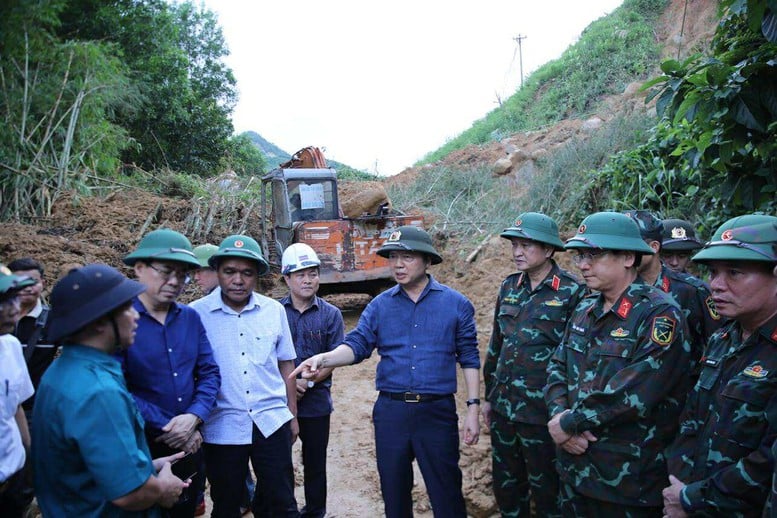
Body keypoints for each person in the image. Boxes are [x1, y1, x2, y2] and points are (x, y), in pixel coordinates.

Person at [291, 225, 481, 518]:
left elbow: (469, 357)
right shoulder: (380, 306)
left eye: (407, 257)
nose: (398, 264)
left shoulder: (456, 305)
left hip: (437, 413)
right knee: (394, 494)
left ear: (427, 260)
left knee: (446, 494)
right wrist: (324, 359)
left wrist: (472, 408)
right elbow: (357, 344)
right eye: (393, 257)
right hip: (391, 412)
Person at [544, 211, 691, 516]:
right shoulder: (585, 309)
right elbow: (557, 366)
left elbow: (635, 392)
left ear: (627, 257)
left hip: (626, 483)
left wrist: (569, 424)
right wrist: (559, 417)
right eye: (581, 255)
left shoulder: (658, 314)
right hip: (575, 473)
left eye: (594, 255)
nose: (583, 264)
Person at [32, 264, 188, 516]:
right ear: (98, 322)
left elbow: (86, 464)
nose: (135, 315)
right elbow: (131, 494)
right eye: (126, 308)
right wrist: (162, 489)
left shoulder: (65, 371)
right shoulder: (98, 392)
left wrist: (146, 468)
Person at [663, 214, 777, 517]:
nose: (716, 285)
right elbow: (693, 416)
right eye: (713, 272)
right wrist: (679, 486)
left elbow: (767, 459)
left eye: (735, 272)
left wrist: (693, 498)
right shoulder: (724, 337)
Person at [482, 212, 585, 517]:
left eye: (526, 245)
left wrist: (569, 414)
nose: (517, 252)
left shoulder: (571, 291)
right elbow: (496, 346)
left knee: (548, 491)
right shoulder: (509, 286)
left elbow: (576, 359)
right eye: (514, 244)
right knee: (507, 488)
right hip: (504, 409)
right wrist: (489, 398)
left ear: (549, 250)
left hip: (542, 413)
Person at [189, 234, 300, 518]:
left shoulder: (273, 311)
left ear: (257, 276)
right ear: (218, 273)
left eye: (247, 273)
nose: (238, 280)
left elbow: (286, 364)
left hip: (271, 420)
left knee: (281, 501)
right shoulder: (196, 315)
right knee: (226, 503)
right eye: (230, 272)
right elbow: (191, 373)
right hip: (221, 423)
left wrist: (293, 415)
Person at [119, 228, 221, 517]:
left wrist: (194, 417)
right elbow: (117, 388)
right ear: (139, 269)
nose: (175, 281)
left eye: (183, 274)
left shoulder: (190, 318)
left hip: (190, 444)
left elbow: (210, 373)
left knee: (185, 507)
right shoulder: (121, 319)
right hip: (141, 445)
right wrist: (171, 427)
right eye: (166, 271)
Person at [279, 243, 345, 518]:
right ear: (286, 279)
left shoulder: (331, 314)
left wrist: (310, 382)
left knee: (315, 461)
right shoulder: (275, 312)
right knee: (279, 461)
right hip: (281, 402)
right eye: (300, 275)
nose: (308, 280)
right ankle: (285, 510)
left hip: (316, 401)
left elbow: (335, 356)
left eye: (313, 274)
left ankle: (316, 511)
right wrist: (291, 386)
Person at [624, 210, 723, 376]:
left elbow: (719, 343)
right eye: (669, 255)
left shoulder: (694, 291)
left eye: (683, 255)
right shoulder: (618, 287)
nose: (675, 262)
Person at [6, 257, 56, 512]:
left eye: (32, 281)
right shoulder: (5, 321)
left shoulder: (53, 321)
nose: (26, 287)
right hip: (5, 405)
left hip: (35, 407)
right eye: (19, 282)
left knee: (28, 463)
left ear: (43, 284)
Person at [0, 265, 36, 517]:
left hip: (14, 476)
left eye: (14, 297)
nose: (15, 307)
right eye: (3, 301)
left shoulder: (11, 346)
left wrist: (30, 453)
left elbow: (16, 406)